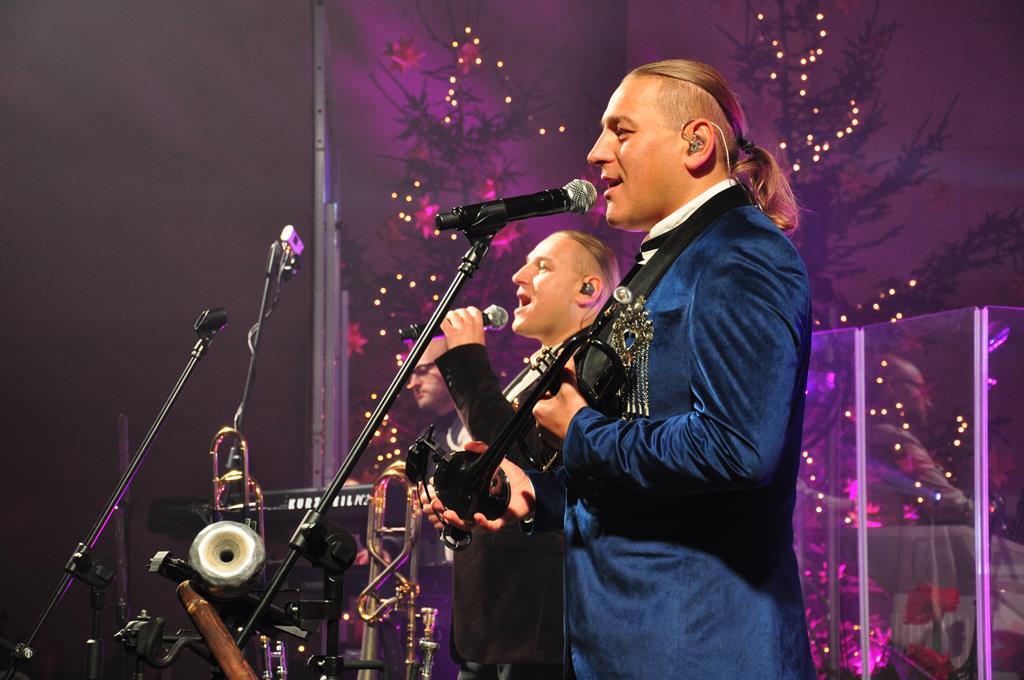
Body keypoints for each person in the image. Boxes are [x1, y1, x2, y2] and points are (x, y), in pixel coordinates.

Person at [431, 59, 817, 678]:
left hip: (699, 650)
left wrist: (579, 430)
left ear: (696, 143)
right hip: (640, 647)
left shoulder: (740, 256)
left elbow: (737, 448)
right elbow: (647, 482)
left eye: (621, 131)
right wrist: (532, 495)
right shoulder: (672, 259)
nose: (595, 152)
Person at [423, 230, 620, 680]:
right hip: (489, 628)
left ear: (587, 289)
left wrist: (467, 363)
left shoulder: (592, 368)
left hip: (536, 632)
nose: (519, 275)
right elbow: (503, 474)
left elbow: (530, 468)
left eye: (542, 266)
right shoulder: (533, 372)